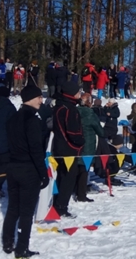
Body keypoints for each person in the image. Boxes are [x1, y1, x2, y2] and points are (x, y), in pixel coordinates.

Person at [2, 85, 48, 258]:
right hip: (28, 170)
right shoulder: (32, 120)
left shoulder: (12, 118)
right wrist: (43, 172)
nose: (41, 100)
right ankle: (21, 249)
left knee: (13, 207)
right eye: (39, 97)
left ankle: (8, 242)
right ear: (31, 98)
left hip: (12, 168)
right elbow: (36, 149)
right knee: (26, 212)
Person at [52, 81, 85, 217]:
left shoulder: (59, 106)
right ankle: (61, 206)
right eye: (78, 92)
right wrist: (80, 141)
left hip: (59, 147)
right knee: (68, 179)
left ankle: (57, 203)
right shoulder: (70, 109)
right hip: (69, 149)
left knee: (61, 176)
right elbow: (73, 131)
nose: (80, 94)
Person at [76, 93, 105, 202]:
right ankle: (81, 195)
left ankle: (75, 190)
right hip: (87, 145)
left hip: (74, 144)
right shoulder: (90, 114)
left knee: (75, 169)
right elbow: (100, 131)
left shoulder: (75, 111)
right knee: (84, 171)